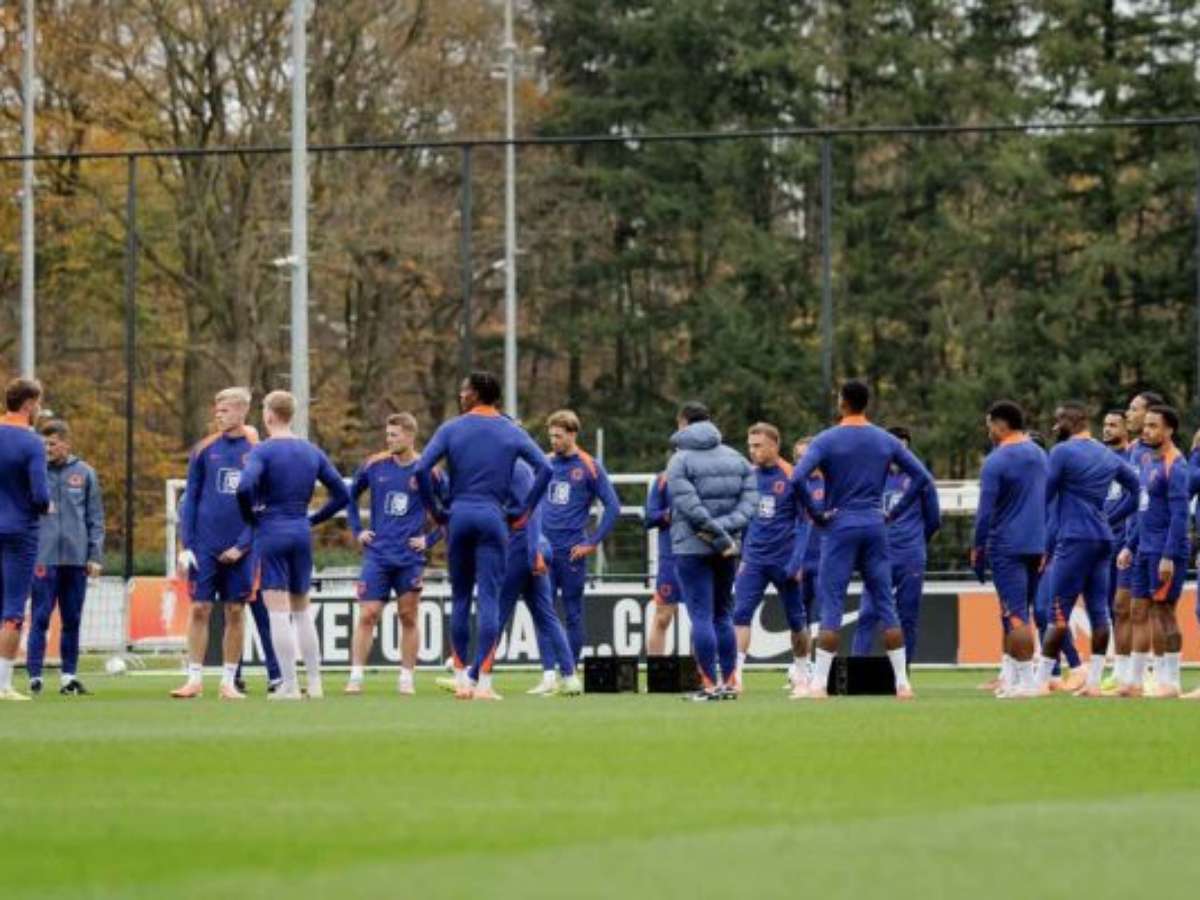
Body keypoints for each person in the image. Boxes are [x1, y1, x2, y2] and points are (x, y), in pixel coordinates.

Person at [415, 372, 551, 701]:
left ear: (475, 394)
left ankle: (461, 680)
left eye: (464, 391)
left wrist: (435, 510)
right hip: (493, 517)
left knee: (460, 597)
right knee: (489, 598)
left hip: (459, 515)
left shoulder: (451, 428)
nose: (460, 395)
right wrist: (525, 511)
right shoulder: (511, 430)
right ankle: (485, 685)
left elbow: (420, 469)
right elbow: (546, 469)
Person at [792, 381, 933, 701]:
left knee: (832, 604)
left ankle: (819, 685)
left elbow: (797, 477)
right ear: (866, 403)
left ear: (842, 402)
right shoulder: (885, 439)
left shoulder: (827, 439)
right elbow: (922, 477)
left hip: (839, 525)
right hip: (874, 524)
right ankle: (902, 684)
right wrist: (894, 512)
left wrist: (816, 514)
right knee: (886, 604)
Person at [236, 390, 350, 700]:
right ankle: (315, 683)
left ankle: (288, 685)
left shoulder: (262, 451)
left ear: (269, 415)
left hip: (272, 529)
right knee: (302, 610)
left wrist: (251, 518)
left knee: (277, 612)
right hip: (300, 529)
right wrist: (314, 519)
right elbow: (342, 494)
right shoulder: (311, 451)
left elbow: (244, 487)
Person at [1036, 402, 1138, 697]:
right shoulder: (1107, 454)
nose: (1055, 427)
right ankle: (1093, 682)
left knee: (1058, 610)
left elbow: (1045, 495)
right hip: (1103, 539)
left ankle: (1039, 682)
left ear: (1072, 421)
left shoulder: (1062, 452)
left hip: (1074, 537)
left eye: (1058, 421)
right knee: (1099, 612)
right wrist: (1110, 518)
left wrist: (1041, 540)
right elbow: (1136, 489)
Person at [171, 388, 264, 701]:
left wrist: (242, 545)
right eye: (217, 409)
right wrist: (187, 545)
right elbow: (191, 499)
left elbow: (262, 506)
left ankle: (228, 682)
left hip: (242, 548)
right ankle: (193, 680)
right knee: (200, 608)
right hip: (205, 546)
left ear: (242, 411)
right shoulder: (203, 449)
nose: (218, 415)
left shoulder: (258, 452)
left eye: (225, 410)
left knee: (235, 610)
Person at [344, 413, 443, 696]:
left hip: (409, 557)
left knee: (408, 616)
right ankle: (356, 677)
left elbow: (451, 509)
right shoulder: (374, 465)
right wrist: (357, 529)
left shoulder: (429, 471)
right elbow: (348, 496)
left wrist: (430, 539)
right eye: (387, 435)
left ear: (410, 436)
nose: (389, 440)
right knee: (368, 614)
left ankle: (406, 678)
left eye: (394, 435)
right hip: (377, 555)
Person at [665, 401, 757, 701]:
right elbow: (749, 506)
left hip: (692, 548)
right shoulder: (738, 459)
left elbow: (688, 506)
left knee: (701, 617)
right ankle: (729, 682)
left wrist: (713, 531)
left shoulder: (679, 460)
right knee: (723, 615)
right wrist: (725, 534)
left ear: (683, 423)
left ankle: (708, 685)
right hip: (728, 549)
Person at [970, 401, 1047, 698]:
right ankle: (1014, 679)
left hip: (1007, 545)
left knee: (1015, 614)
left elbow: (985, 512)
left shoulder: (996, 460)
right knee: (1023, 611)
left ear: (1000, 425)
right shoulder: (1039, 454)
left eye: (989, 425)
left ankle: (1026, 683)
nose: (988, 431)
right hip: (1037, 543)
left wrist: (977, 548)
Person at [26, 419, 104, 696]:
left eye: (52, 443)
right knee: (40, 618)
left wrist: (94, 555)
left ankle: (68, 677)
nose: (47, 448)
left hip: (76, 559)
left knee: (72, 618)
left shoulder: (85, 473)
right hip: (43, 558)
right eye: (44, 444)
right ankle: (35, 677)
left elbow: (95, 518)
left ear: (66, 444)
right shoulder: (34, 472)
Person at [851, 426, 940, 664]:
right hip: (877, 557)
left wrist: (915, 542)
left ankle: (901, 675)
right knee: (867, 615)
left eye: (904, 448)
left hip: (910, 557)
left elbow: (934, 520)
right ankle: (857, 673)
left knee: (907, 618)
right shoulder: (871, 476)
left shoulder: (921, 479)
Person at [1116, 405, 1188, 698]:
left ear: (1169, 430)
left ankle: (1171, 681)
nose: (1146, 431)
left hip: (1164, 552)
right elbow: (1144, 510)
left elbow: (1180, 516)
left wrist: (1169, 555)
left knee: (1164, 612)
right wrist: (1129, 546)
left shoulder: (1176, 465)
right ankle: (1134, 680)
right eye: (1145, 425)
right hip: (1143, 549)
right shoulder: (1146, 460)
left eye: (1153, 426)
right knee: (1137, 610)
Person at [542, 410, 621, 670]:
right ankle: (548, 674)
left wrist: (592, 542)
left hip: (572, 552)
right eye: (551, 436)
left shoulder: (589, 465)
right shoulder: (544, 463)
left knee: (573, 613)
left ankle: (570, 671)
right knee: (544, 612)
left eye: (558, 436)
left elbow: (613, 507)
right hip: (544, 551)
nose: (553, 441)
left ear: (573, 434)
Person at [496, 458, 580, 696]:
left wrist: (533, 553)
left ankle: (476, 676)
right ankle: (569, 676)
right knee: (547, 616)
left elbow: (529, 514)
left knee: (497, 615)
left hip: (521, 547)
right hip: (539, 545)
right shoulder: (526, 468)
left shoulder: (510, 468)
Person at [732, 423, 806, 695]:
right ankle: (735, 675)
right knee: (740, 615)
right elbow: (744, 518)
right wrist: (742, 554)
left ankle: (801, 673)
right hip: (754, 560)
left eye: (758, 446)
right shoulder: (748, 477)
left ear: (775, 445)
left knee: (796, 620)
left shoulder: (793, 475)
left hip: (785, 560)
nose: (752, 451)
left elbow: (804, 522)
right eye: (750, 446)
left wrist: (798, 561)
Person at [1108, 391, 1162, 693]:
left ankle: (1154, 671)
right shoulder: (1133, 452)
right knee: (1122, 606)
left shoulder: (1161, 454)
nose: (1129, 414)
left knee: (1151, 609)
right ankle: (1123, 673)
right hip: (1130, 539)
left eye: (1133, 409)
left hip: (1152, 540)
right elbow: (1133, 498)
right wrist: (1109, 521)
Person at [0, 378, 49, 702]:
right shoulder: (31, 442)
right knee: (13, 609)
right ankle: (3, 684)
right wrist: (45, 506)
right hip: (19, 531)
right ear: (29, 404)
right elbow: (41, 494)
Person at [784, 437, 824, 691]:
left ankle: (821, 670)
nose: (802, 462)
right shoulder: (793, 485)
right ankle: (801, 667)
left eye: (806, 456)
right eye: (797, 457)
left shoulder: (831, 483)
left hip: (823, 561)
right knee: (799, 619)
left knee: (824, 617)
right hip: (798, 562)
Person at [644, 468, 680, 657]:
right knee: (662, 617)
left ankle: (704, 672)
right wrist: (669, 514)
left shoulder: (709, 475)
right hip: (671, 559)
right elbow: (649, 516)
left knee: (703, 618)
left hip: (701, 558)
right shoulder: (664, 478)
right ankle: (657, 670)